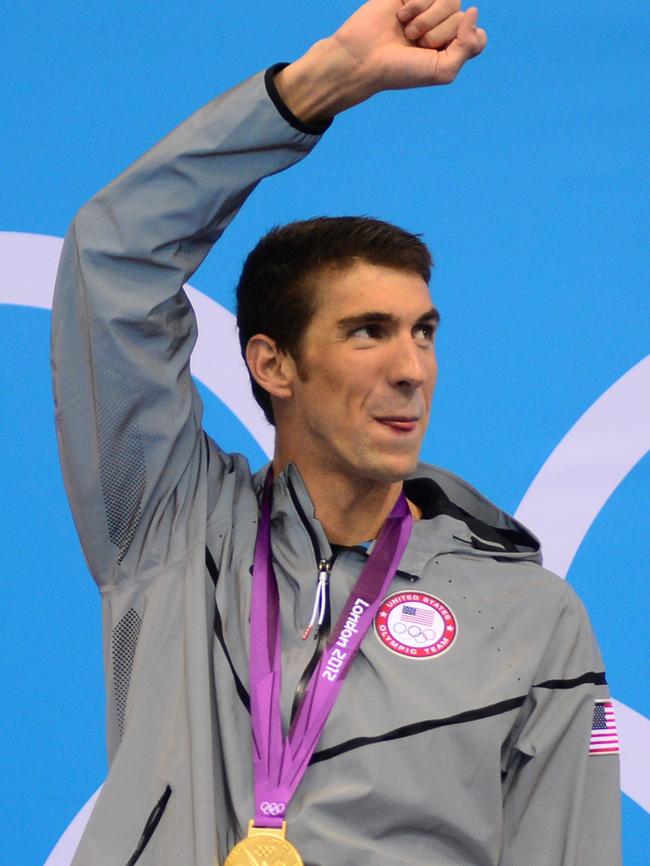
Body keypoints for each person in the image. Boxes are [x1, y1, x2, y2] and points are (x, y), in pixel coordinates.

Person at [51, 1, 621, 864]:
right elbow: (113, 264)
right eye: (368, 332)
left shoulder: (530, 618)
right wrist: (315, 88)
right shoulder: (171, 535)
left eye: (423, 332)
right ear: (273, 364)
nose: (412, 368)